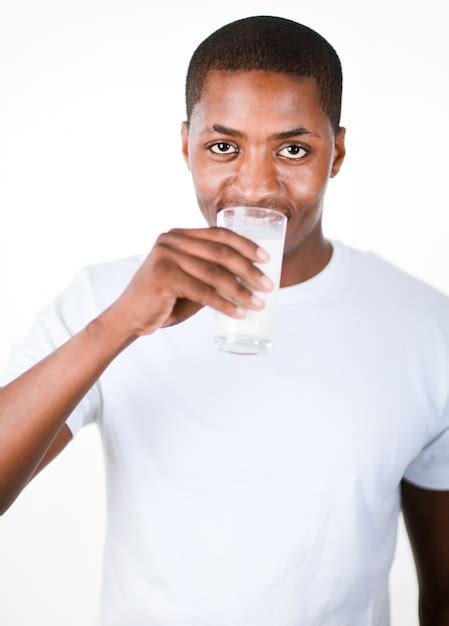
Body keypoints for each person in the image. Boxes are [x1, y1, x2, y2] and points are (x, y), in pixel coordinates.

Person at [1, 15, 448, 626]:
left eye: (293, 149)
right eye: (223, 146)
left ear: (336, 152)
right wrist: (120, 325)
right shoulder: (105, 299)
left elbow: (444, 590)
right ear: (185, 144)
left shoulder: (426, 327)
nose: (257, 187)